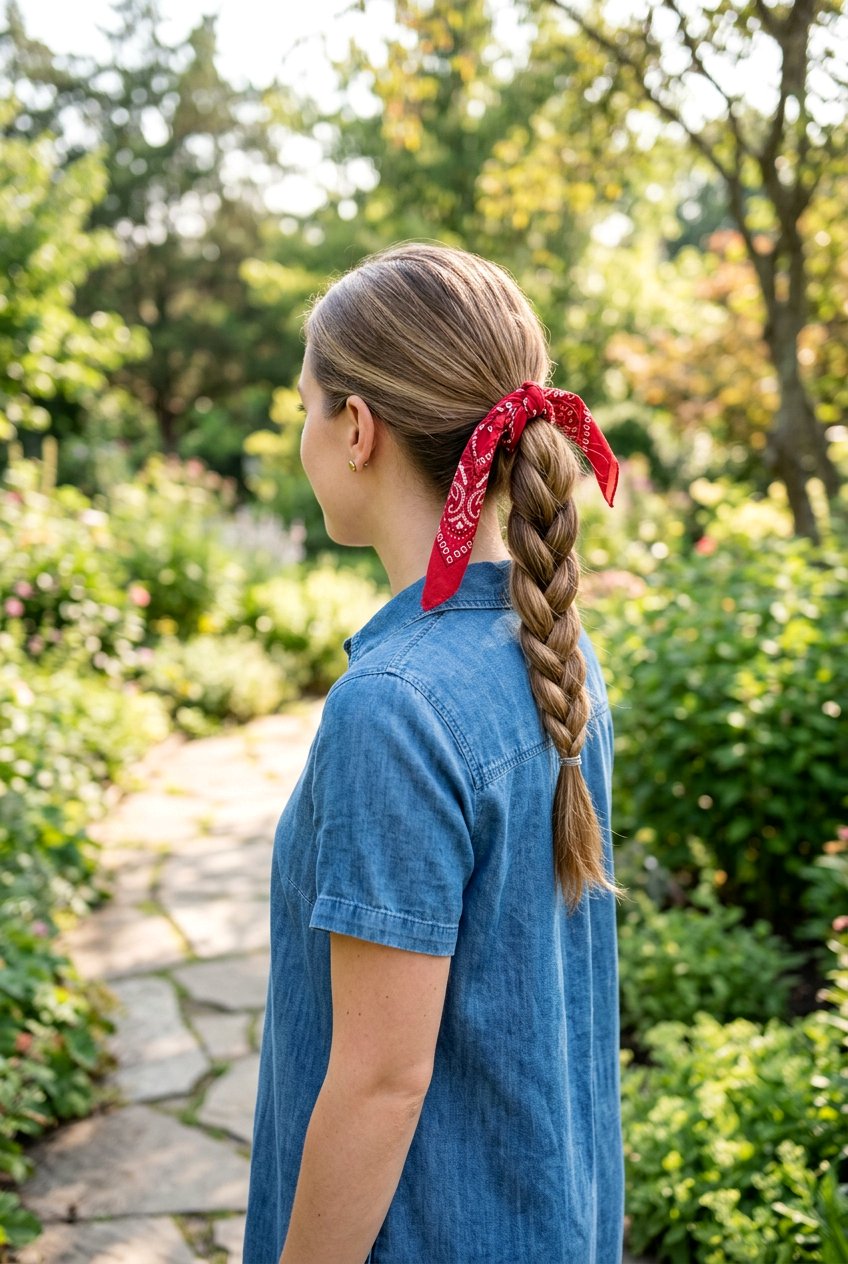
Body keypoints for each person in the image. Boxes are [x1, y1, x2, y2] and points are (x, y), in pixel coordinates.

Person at [243, 241, 628, 1264]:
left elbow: (380, 1080)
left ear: (356, 427)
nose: (302, 439)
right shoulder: (554, 654)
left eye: (302, 409)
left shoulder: (391, 708)